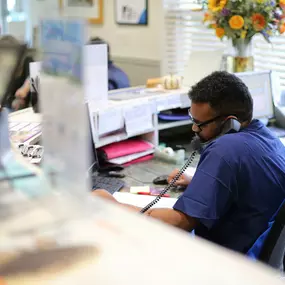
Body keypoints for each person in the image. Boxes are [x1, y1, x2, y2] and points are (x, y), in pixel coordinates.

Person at [93, 71, 285, 258]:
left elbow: (178, 224)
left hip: (232, 264)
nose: (194, 128)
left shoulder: (224, 149)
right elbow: (250, 186)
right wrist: (200, 182)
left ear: (229, 124)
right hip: (259, 257)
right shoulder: (268, 137)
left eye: (200, 124)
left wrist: (112, 205)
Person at [0, 35, 34, 111]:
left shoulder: (27, 60)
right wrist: (13, 102)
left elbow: (33, 75)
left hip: (29, 108)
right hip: (11, 109)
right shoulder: (4, 71)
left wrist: (25, 87)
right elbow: (6, 97)